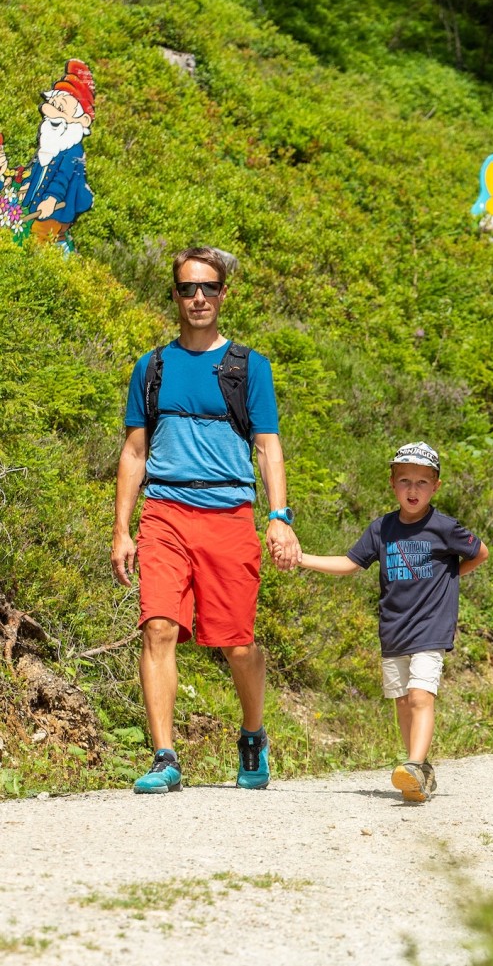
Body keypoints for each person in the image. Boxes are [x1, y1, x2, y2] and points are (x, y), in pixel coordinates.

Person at [111, 246, 299, 794]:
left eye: (208, 288)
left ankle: (253, 733)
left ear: (223, 294)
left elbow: (267, 446)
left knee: (238, 644)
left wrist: (279, 516)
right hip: (165, 512)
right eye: (188, 288)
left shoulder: (247, 366)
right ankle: (164, 756)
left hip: (229, 513)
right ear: (174, 295)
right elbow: (133, 452)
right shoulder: (152, 367)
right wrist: (123, 529)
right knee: (159, 627)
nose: (198, 297)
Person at [292, 442, 489, 802]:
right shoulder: (381, 529)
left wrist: (451, 578)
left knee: (419, 695)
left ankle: (412, 764)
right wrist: (302, 558)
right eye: (405, 481)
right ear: (392, 483)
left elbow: (480, 552)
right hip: (393, 628)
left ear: (436, 486)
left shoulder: (444, 527)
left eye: (422, 482)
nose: (413, 490)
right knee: (401, 701)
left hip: (431, 628)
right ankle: (420, 771)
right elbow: (351, 564)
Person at [0, 59, 96, 246]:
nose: (50, 111)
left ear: (83, 120)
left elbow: (62, 178)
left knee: (40, 239)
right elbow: (35, 173)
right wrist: (21, 182)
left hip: (58, 211)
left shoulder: (73, 150)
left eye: (60, 108)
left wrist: (51, 199)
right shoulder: (50, 143)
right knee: (28, 235)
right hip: (37, 205)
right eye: (51, 104)